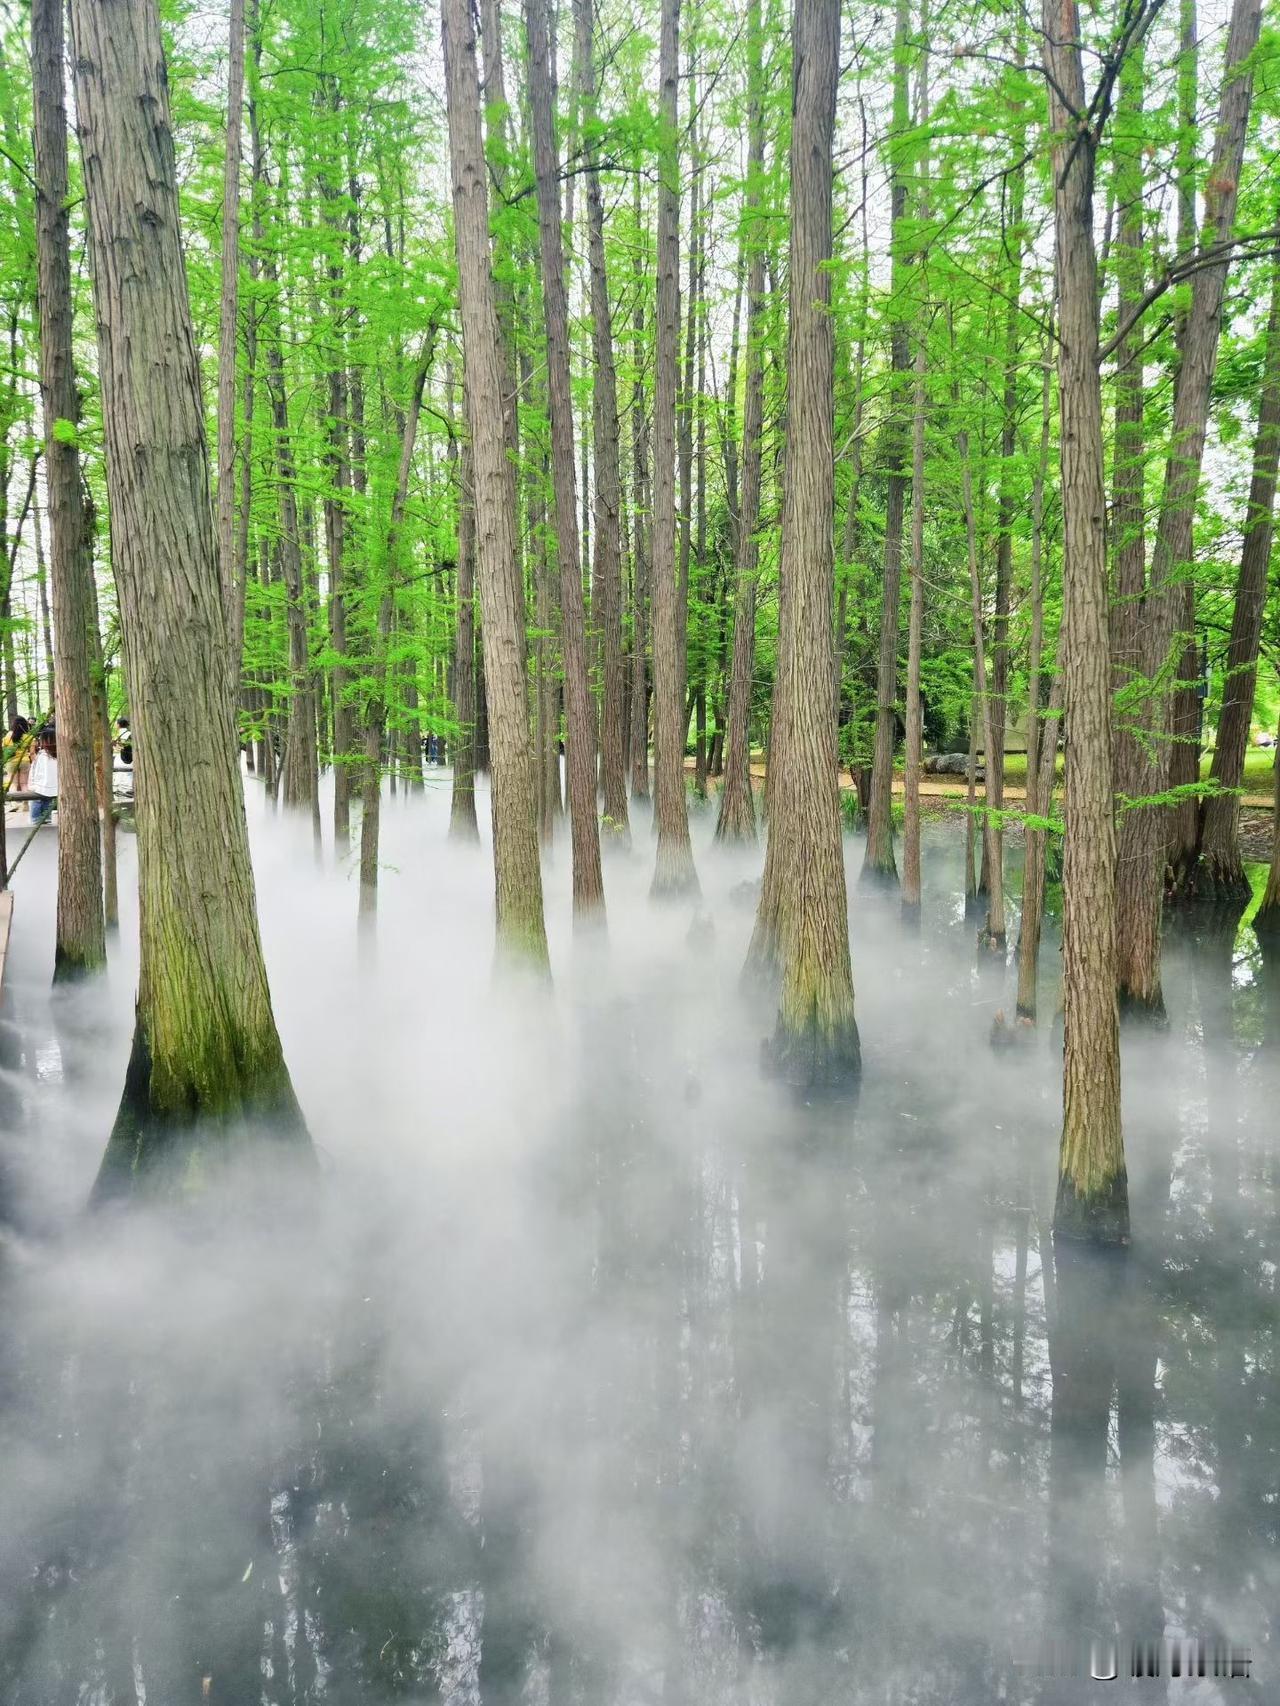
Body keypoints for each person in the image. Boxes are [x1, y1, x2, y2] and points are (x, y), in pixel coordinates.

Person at [29, 724, 57, 826]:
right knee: (48, 800)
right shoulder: (59, 754)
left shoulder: (42, 755)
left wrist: (33, 782)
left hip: (41, 784)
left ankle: (36, 818)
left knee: (37, 800)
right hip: (54, 785)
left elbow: (36, 771)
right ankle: (47, 817)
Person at [5, 715, 33, 795]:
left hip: (11, 762)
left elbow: (4, 748)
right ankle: (25, 806)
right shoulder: (29, 737)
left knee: (13, 785)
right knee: (24, 785)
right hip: (25, 761)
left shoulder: (8, 735)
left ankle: (15, 806)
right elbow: (32, 753)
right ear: (25, 725)